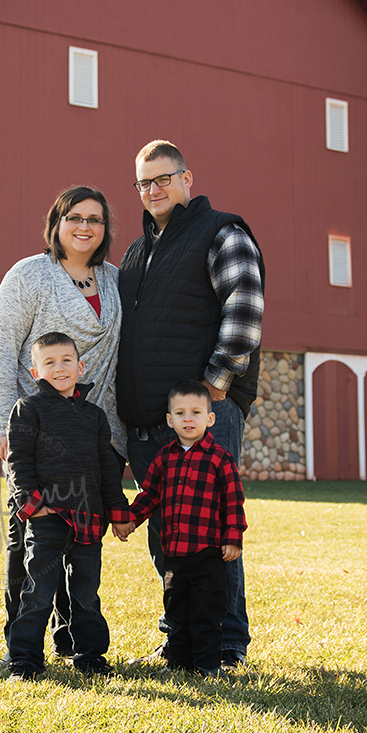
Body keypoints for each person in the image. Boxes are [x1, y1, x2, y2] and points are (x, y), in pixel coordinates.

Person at [116, 140, 264, 669]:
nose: (153, 189)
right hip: (147, 424)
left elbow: (244, 306)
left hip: (201, 416)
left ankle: (225, 643)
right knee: (168, 536)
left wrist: (215, 385)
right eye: (144, 182)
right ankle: (180, 638)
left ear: (186, 178)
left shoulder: (222, 232)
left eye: (163, 178)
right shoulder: (136, 253)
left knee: (212, 532)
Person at [0, 186, 127, 662]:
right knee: (31, 543)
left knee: (81, 549)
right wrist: (4, 424)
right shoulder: (30, 275)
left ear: (105, 229)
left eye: (95, 219)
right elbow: (1, 350)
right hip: (36, 432)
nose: (85, 227)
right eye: (74, 217)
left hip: (94, 433)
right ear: (57, 223)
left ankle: (73, 642)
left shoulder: (114, 279)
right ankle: (20, 644)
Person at [4, 332, 132, 680]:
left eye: (66, 361)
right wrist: (33, 505)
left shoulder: (95, 416)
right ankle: (25, 660)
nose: (59, 368)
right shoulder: (28, 409)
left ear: (80, 366)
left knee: (86, 595)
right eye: (49, 363)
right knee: (38, 593)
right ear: (35, 373)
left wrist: (118, 513)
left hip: (89, 517)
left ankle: (90, 656)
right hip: (48, 517)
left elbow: (107, 471)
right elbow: (19, 462)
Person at [114, 380, 247, 677]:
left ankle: (207, 666)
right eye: (181, 413)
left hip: (208, 554)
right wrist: (131, 519)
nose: (188, 419)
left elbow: (233, 501)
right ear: (169, 420)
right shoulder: (165, 457)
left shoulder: (219, 458)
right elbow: (150, 494)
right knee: (177, 611)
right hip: (174, 554)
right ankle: (178, 663)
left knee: (206, 612)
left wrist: (233, 537)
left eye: (196, 412)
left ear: (210, 419)